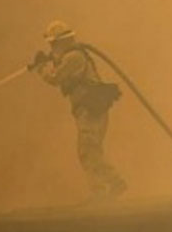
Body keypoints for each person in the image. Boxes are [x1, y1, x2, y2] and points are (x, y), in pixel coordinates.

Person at [32, 21, 126, 200]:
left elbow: (55, 78)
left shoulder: (74, 57)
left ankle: (108, 185)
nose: (52, 47)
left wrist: (41, 68)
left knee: (88, 150)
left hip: (89, 109)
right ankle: (106, 187)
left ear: (61, 42)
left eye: (53, 44)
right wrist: (50, 61)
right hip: (87, 110)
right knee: (90, 150)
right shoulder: (70, 57)